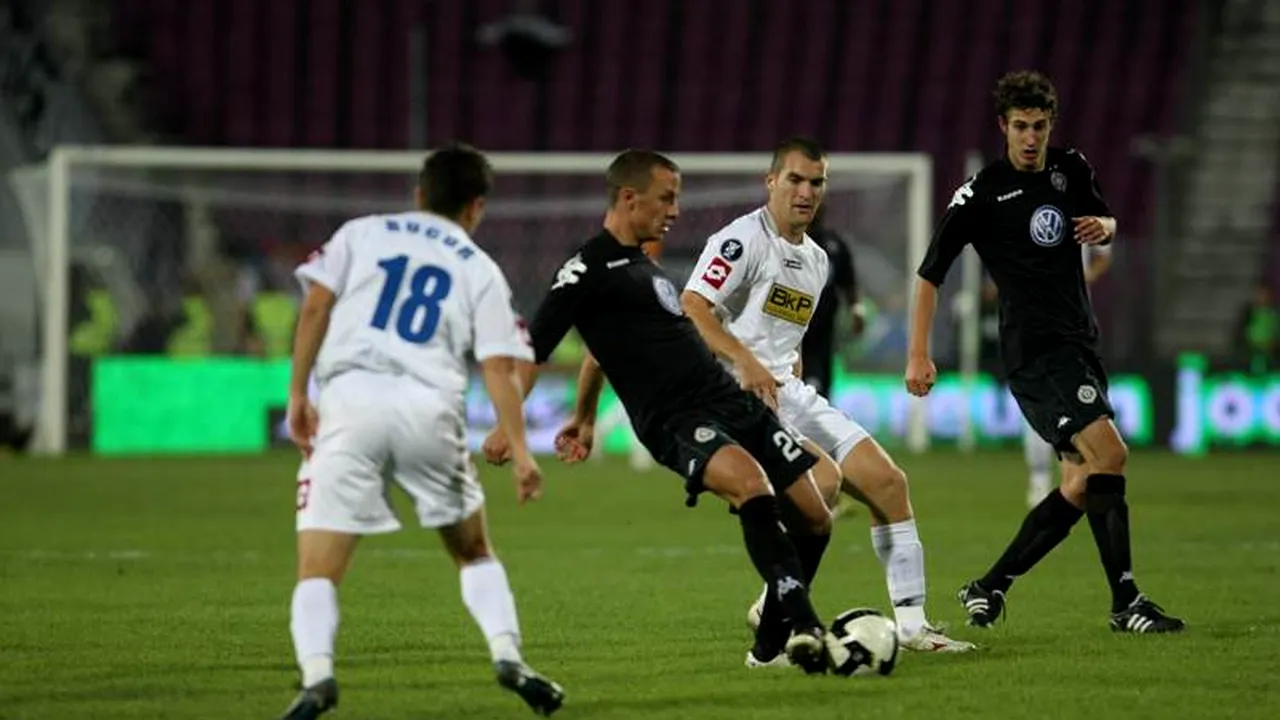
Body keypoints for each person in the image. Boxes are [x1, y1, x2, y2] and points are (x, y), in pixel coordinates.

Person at [483, 149, 854, 675]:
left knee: (815, 515)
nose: (676, 210)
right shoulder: (584, 269)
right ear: (629, 198)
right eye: (667, 198)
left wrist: (585, 417)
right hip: (675, 417)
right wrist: (508, 426)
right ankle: (809, 629)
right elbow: (534, 350)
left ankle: (770, 648)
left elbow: (600, 353)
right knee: (752, 486)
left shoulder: (643, 264)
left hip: (728, 399)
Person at [279, 142, 565, 719]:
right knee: (474, 551)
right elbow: (498, 367)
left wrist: (298, 393)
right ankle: (508, 655)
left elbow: (314, 307)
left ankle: (317, 677)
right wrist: (522, 449)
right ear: (476, 207)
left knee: (318, 570)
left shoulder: (361, 232)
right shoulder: (479, 265)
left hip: (349, 402)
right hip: (428, 409)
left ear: (418, 193)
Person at [906, 70, 1184, 634]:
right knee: (1112, 454)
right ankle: (1126, 601)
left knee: (1081, 483)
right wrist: (919, 353)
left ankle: (988, 586)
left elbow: (1105, 221)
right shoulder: (980, 195)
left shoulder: (1071, 168)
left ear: (1050, 125)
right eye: (1020, 127)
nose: (1030, 137)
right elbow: (930, 275)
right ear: (1003, 128)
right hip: (1036, 352)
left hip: (1080, 341)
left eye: (1039, 126)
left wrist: (1103, 226)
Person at [681, 136, 974, 655]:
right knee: (822, 485)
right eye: (794, 179)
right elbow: (694, 305)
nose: (805, 191)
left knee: (888, 482)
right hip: (738, 395)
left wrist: (780, 360)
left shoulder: (817, 261)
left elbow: (781, 337)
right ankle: (778, 605)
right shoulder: (741, 240)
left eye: (816, 182)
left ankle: (911, 628)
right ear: (771, 181)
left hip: (788, 390)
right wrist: (745, 361)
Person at [1021, 244, 1113, 507]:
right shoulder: (1021, 211)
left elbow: (1104, 256)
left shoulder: (1081, 208)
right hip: (1035, 323)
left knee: (1079, 407)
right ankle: (1039, 477)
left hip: (1076, 325)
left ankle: (1079, 478)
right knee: (1039, 406)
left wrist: (1081, 279)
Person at [800, 204, 865, 400]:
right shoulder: (784, 241)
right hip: (789, 326)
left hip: (823, 328)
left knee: (820, 384)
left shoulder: (834, 244)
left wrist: (856, 310)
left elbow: (848, 282)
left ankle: (816, 422)